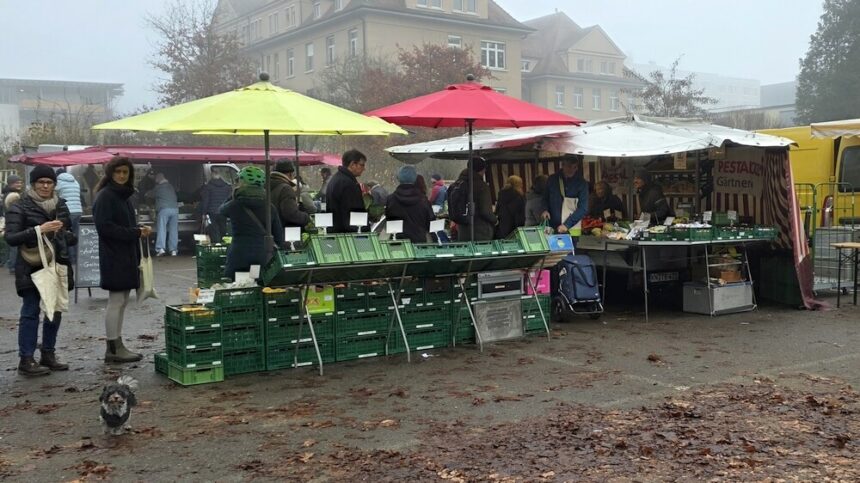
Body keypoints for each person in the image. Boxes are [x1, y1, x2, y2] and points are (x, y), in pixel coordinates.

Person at [5, 165, 77, 376]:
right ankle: (26, 359)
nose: (45, 186)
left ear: (54, 184)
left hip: (57, 264)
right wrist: (39, 230)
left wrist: (65, 234)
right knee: (30, 311)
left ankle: (48, 354)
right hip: (31, 266)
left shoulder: (61, 205)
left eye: (49, 182)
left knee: (55, 310)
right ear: (33, 184)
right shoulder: (20, 206)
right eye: (41, 182)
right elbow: (11, 238)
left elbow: (71, 235)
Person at [93, 157, 151, 363]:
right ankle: (113, 347)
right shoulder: (106, 196)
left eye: (125, 172)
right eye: (118, 172)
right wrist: (135, 233)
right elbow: (105, 228)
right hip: (114, 255)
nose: (121, 175)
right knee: (117, 301)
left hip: (125, 254)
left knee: (122, 301)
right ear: (110, 173)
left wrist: (137, 230)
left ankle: (117, 345)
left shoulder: (123, 196)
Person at [220, 166, 284, 279]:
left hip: (239, 256)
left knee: (238, 286)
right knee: (258, 284)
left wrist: (234, 194)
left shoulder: (234, 205)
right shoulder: (270, 207)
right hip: (261, 256)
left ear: (242, 182)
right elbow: (279, 237)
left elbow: (221, 210)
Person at [449, 157, 497, 241]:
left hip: (463, 230)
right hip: (480, 231)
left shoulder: (457, 184)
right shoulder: (481, 186)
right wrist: (495, 220)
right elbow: (485, 211)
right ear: (482, 170)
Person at [385, 165, 435, 243]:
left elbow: (389, 220)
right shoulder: (423, 200)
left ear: (399, 178)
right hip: (418, 242)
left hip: (398, 242)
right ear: (414, 179)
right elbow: (431, 222)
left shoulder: (391, 199)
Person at [542, 157, 589, 236]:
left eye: (575, 167)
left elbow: (583, 208)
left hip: (571, 229)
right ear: (563, 165)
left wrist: (567, 225)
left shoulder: (582, 183)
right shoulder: (552, 179)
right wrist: (544, 210)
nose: (572, 170)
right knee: (547, 243)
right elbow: (544, 198)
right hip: (550, 225)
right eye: (569, 166)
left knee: (570, 245)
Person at [325, 149, 367, 233]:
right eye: (362, 165)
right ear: (352, 164)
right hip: (348, 235)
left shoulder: (335, 179)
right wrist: (363, 230)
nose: (364, 169)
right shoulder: (348, 184)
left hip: (335, 231)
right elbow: (354, 212)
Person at [270, 160, 310, 229]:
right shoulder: (286, 189)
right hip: (283, 230)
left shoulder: (266, 185)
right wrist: (306, 217)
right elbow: (291, 214)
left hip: (269, 229)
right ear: (290, 174)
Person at [55, 168, 83, 265]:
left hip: (67, 211)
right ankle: (79, 258)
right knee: (75, 235)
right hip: (78, 211)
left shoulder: (58, 182)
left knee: (67, 235)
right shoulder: (75, 182)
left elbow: (54, 194)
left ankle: (72, 259)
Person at [148, 172, 179, 256]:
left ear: (158, 179)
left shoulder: (158, 187)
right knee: (173, 230)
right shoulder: (171, 186)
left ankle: (160, 248)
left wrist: (145, 193)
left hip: (164, 209)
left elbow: (150, 195)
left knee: (162, 229)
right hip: (175, 209)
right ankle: (173, 250)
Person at [199, 170, 233, 244]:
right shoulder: (227, 186)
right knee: (223, 229)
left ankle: (215, 244)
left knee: (214, 230)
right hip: (223, 211)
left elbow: (206, 201)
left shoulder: (208, 187)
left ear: (212, 175)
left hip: (212, 212)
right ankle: (223, 244)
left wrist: (203, 213)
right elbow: (229, 199)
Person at [2, 174, 24, 272]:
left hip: (9, 221)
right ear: (11, 184)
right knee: (14, 245)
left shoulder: (7, 193)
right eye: (17, 183)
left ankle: (8, 263)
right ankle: (13, 266)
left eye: (20, 182)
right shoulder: (13, 195)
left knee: (9, 244)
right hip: (14, 221)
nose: (19, 184)